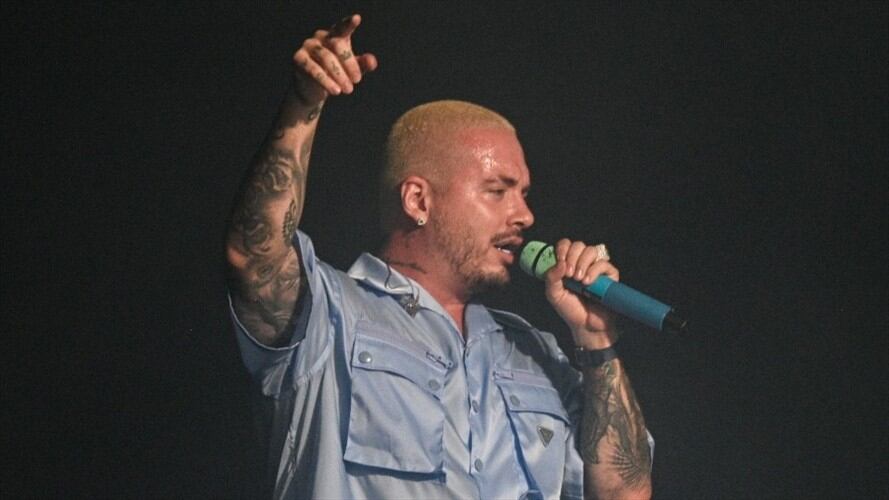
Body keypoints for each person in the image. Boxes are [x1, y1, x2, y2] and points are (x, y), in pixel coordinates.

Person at [226, 14, 653, 500]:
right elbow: (254, 254)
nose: (525, 215)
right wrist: (304, 104)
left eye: (524, 194)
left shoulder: (537, 354)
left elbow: (626, 493)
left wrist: (596, 341)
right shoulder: (329, 315)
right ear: (418, 201)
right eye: (498, 191)